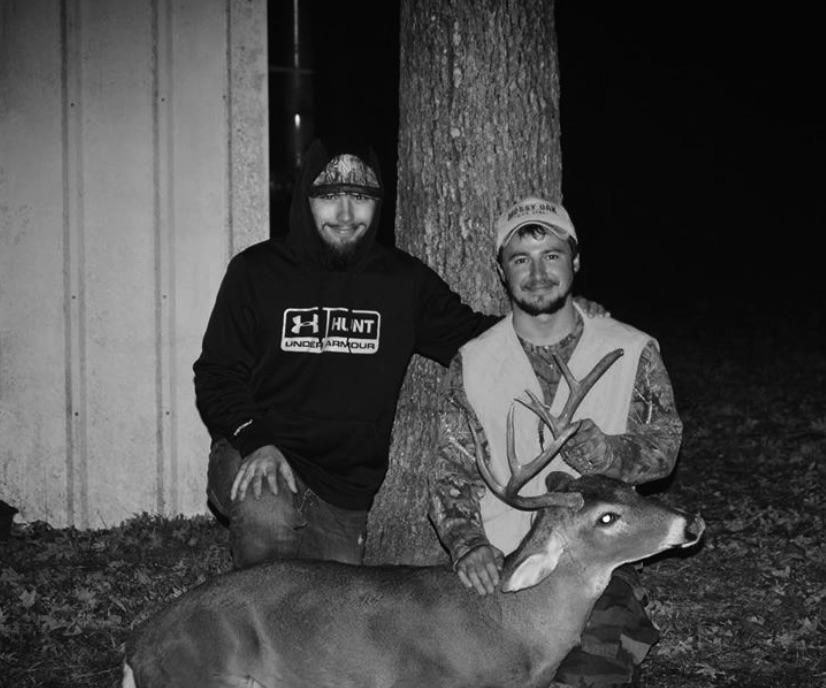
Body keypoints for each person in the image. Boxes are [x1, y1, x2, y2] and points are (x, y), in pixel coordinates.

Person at [194, 136, 605, 571]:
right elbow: (217, 373)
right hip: (259, 449)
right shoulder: (256, 272)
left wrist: (562, 319)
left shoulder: (401, 282)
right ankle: (252, 610)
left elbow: (476, 337)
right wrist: (255, 440)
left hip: (342, 489)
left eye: (361, 198)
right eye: (329, 197)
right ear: (305, 199)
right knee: (266, 514)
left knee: (328, 599)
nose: (346, 215)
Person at [428, 196, 683, 688]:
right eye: (521, 259)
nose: (538, 273)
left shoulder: (631, 349)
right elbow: (450, 472)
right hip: (503, 562)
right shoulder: (474, 361)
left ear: (576, 261)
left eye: (552, 255)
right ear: (501, 271)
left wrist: (610, 453)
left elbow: (664, 449)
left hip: (594, 559)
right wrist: (467, 543)